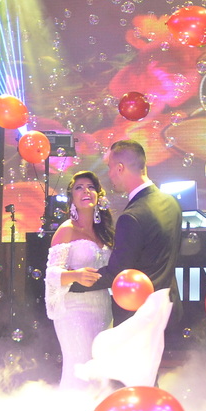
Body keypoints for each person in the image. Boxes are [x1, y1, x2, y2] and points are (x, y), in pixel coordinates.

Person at [72, 139, 182, 328]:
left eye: (110, 167)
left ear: (120, 168)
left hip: (140, 317)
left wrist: (71, 282)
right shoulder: (171, 202)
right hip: (169, 310)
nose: (109, 174)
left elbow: (117, 274)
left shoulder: (132, 216)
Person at [45, 171, 114, 390]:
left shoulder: (104, 232)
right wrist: (76, 275)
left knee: (99, 368)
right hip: (74, 310)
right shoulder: (66, 230)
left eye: (91, 187)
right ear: (72, 198)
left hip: (103, 308)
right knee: (79, 368)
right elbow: (51, 275)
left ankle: (97, 409)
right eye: (79, 187)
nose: (86, 191)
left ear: (98, 195)